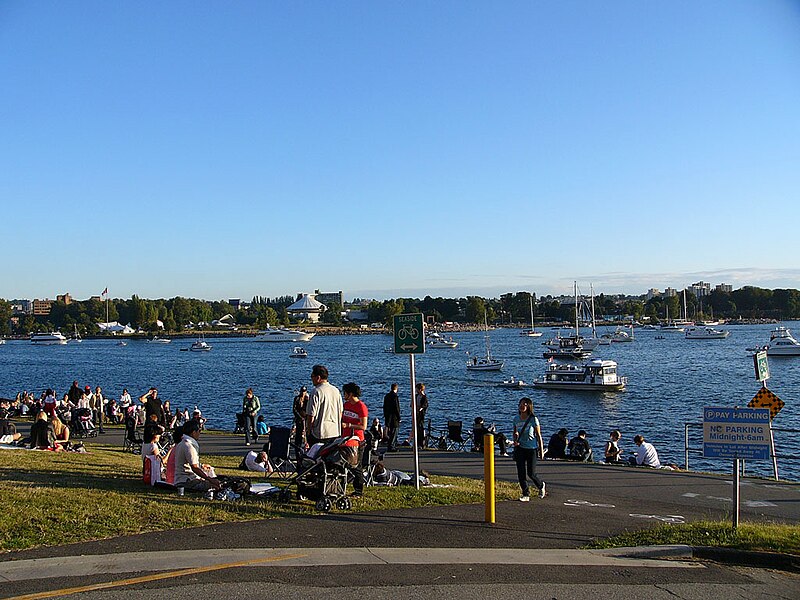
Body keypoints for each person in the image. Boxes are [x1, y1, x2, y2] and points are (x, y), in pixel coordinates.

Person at [172, 419, 221, 494]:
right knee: (218, 486)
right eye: (199, 431)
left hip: (181, 479)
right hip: (187, 481)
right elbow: (194, 468)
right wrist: (209, 479)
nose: (199, 433)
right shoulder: (189, 446)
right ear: (193, 432)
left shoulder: (181, 443)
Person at [512, 397, 546, 501]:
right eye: (521, 404)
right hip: (521, 448)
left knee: (531, 473)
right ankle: (525, 494)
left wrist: (541, 450)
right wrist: (515, 437)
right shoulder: (516, 419)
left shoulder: (533, 419)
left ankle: (541, 486)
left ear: (529, 407)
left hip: (532, 449)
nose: (522, 406)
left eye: (525, 404)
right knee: (521, 473)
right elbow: (514, 433)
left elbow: (538, 435)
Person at [341, 382, 368, 496]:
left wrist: (349, 425)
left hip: (357, 440)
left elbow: (363, 426)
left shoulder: (361, 406)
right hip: (345, 439)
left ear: (350, 394)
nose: (344, 395)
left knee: (356, 465)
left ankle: (358, 490)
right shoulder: (346, 405)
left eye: (345, 393)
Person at [305, 365, 342, 446]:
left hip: (320, 433)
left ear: (318, 377)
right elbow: (340, 412)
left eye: (312, 376)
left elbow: (311, 415)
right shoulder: (336, 391)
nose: (311, 379)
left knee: (315, 457)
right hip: (335, 432)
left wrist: (308, 431)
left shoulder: (316, 391)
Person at [383, 383, 401, 452]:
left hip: (388, 416)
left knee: (390, 431)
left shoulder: (387, 396)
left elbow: (384, 406)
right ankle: (392, 446)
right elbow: (396, 408)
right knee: (394, 431)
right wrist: (399, 417)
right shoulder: (395, 397)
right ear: (396, 388)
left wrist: (385, 415)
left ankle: (391, 445)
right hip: (394, 417)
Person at [292, 386, 309, 458]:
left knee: (306, 434)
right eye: (302, 391)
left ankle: (307, 449)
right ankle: (297, 449)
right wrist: (300, 416)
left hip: (306, 419)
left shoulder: (307, 399)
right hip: (299, 419)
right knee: (298, 435)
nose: (303, 393)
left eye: (304, 391)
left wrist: (306, 416)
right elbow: (294, 409)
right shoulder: (297, 399)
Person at [415, 382, 428, 449]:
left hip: (420, 415)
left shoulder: (424, 397)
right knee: (416, 428)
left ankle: (421, 443)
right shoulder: (416, 396)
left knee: (420, 428)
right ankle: (416, 443)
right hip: (415, 413)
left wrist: (420, 408)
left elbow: (425, 405)